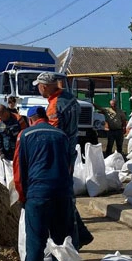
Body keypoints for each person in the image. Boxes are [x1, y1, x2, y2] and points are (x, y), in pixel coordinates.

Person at [13, 106, 76, 261]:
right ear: (44, 118)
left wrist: (23, 197)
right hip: (62, 194)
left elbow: (19, 170)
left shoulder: (25, 136)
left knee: (35, 242)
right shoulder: (61, 135)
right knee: (62, 240)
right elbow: (69, 166)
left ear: (31, 119)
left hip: (38, 194)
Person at [33, 72, 94, 248]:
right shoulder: (70, 99)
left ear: (45, 86)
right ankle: (82, 234)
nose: (38, 89)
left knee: (63, 198)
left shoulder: (54, 106)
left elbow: (53, 136)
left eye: (39, 86)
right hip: (69, 151)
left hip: (60, 157)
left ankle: (75, 238)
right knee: (65, 196)